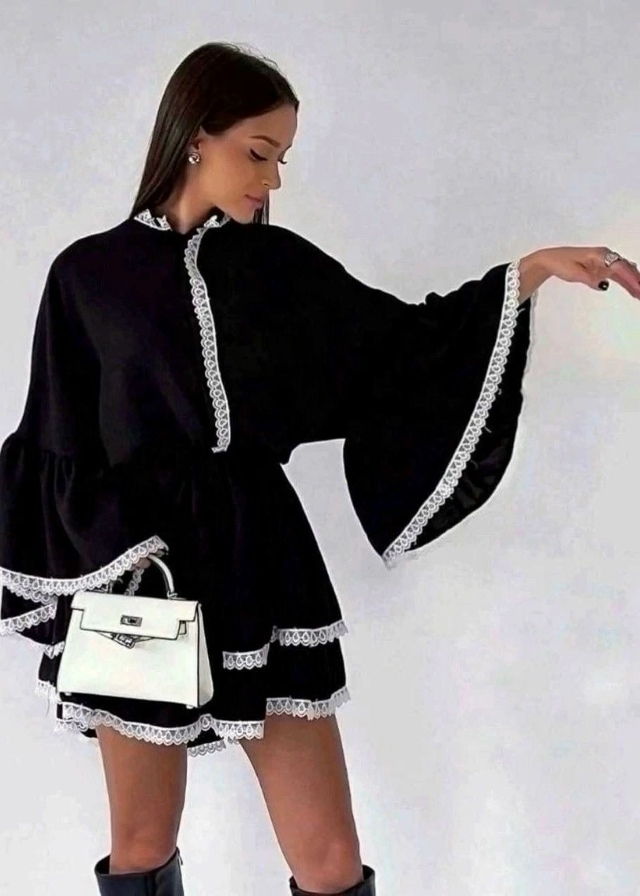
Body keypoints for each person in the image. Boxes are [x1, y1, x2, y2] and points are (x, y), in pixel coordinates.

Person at [0, 40, 638, 896]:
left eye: (282, 159)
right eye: (258, 152)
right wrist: (119, 558)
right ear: (196, 136)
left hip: (258, 564)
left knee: (329, 859)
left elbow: (402, 347)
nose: (272, 178)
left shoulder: (278, 269)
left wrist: (526, 275)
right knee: (142, 845)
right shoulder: (86, 277)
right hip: (140, 578)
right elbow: (58, 442)